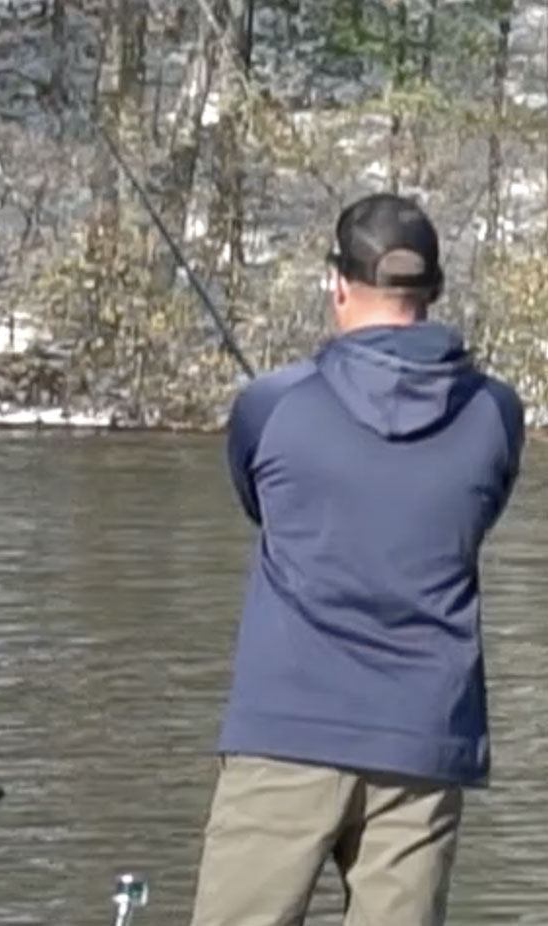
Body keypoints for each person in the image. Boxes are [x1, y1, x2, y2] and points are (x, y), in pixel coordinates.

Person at [189, 192, 525, 926]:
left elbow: (260, 505)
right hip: (423, 740)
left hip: (286, 730)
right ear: (432, 292)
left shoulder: (271, 404)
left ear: (337, 283)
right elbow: (477, 516)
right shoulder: (496, 413)